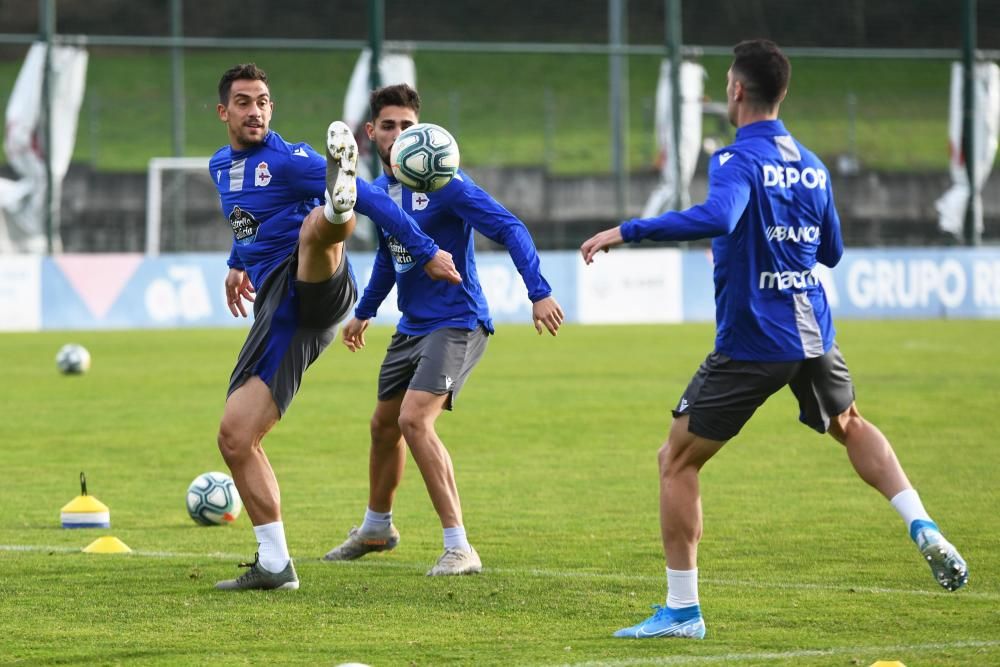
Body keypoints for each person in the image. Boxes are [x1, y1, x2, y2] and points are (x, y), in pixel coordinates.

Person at [580, 39, 968, 639]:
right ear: (781, 93)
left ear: (736, 90)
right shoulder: (811, 163)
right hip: (813, 330)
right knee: (851, 425)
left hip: (753, 338)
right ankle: (921, 524)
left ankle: (682, 610)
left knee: (675, 460)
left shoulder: (736, 159)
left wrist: (625, 231)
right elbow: (831, 252)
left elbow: (718, 216)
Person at [209, 64, 462, 591]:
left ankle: (334, 202)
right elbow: (245, 220)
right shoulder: (220, 167)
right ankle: (275, 564)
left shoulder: (285, 159)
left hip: (311, 282)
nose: (255, 110)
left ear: (271, 109)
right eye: (243, 102)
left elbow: (374, 198)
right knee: (236, 438)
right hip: (284, 308)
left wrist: (427, 249)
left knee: (322, 226)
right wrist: (236, 262)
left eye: (263, 100)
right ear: (223, 112)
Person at [322, 83, 564, 575]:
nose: (397, 134)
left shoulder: (446, 182)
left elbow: (510, 227)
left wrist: (538, 291)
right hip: (412, 326)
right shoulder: (379, 192)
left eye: (407, 126)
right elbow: (393, 259)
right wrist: (364, 311)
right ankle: (376, 527)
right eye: (388, 126)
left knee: (414, 420)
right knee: (382, 426)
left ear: (423, 132)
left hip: (458, 321)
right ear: (371, 133)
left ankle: (460, 547)